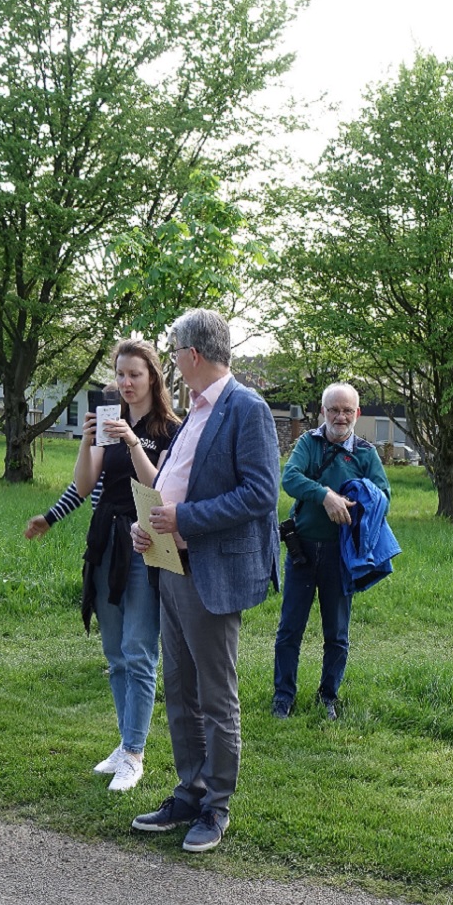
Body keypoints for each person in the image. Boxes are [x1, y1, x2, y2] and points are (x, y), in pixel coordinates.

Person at [128, 309, 279, 853]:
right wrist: (149, 526)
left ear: (193, 354)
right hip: (171, 565)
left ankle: (217, 808)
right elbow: (175, 481)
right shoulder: (194, 411)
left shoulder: (247, 409)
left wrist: (183, 520)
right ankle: (188, 791)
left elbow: (261, 495)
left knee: (216, 698)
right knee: (180, 690)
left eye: (173, 352)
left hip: (211, 573)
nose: (170, 361)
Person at [25, 340, 179, 792]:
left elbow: (162, 488)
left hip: (146, 546)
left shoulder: (171, 429)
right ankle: (124, 743)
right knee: (115, 656)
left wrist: (133, 443)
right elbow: (86, 484)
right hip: (105, 543)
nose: (126, 383)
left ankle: (135, 754)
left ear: (153, 376)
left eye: (135, 374)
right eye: (120, 374)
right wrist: (87, 441)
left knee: (139, 652)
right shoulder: (108, 422)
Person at [272, 383, 390, 720]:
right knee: (289, 630)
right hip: (303, 551)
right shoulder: (309, 443)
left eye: (347, 411)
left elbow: (384, 496)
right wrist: (325, 495)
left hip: (342, 555)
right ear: (323, 411)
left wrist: (360, 500)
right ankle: (283, 698)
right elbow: (290, 479)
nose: (340, 416)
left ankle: (328, 697)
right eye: (334, 410)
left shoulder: (366, 453)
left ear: (357, 414)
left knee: (337, 633)